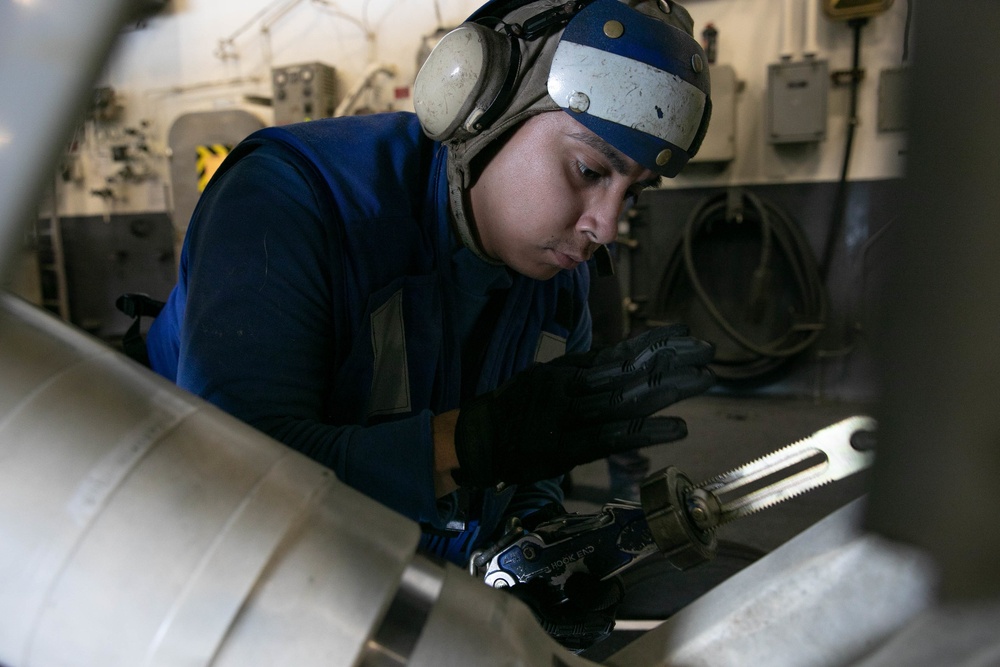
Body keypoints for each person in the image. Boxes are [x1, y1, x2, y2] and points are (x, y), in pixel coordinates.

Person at [145, 0, 714, 642]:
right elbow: (235, 483)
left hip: (384, 580)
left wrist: (533, 557)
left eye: (632, 192)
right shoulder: (290, 200)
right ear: (478, 104)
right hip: (191, 587)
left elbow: (533, 472)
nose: (605, 226)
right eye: (589, 170)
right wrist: (466, 444)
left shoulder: (558, 285)